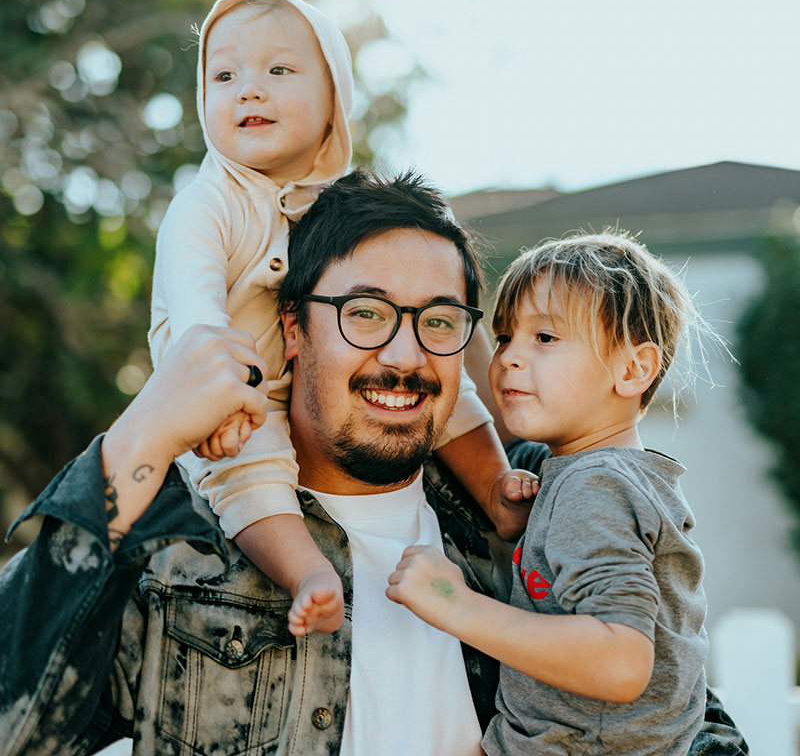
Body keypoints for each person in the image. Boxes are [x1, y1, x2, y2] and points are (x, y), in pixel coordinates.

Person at [1, 174, 746, 755]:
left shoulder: (526, 512)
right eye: (364, 313)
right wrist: (136, 440)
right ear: (292, 329)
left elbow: (680, 713)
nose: (403, 355)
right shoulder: (178, 544)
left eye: (439, 322)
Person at [148, 0, 533, 638]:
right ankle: (308, 573)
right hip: (230, 397)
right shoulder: (207, 203)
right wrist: (218, 400)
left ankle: (497, 488)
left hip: (289, 384)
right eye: (224, 75)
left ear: (335, 101)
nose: (249, 90)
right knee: (252, 475)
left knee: (449, 385)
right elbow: (196, 317)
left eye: (278, 70)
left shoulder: (341, 209)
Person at [388, 230, 736, 755]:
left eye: (545, 339)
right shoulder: (587, 473)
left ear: (633, 369)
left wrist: (453, 604)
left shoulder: (594, 487)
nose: (508, 359)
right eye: (504, 336)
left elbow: (620, 662)